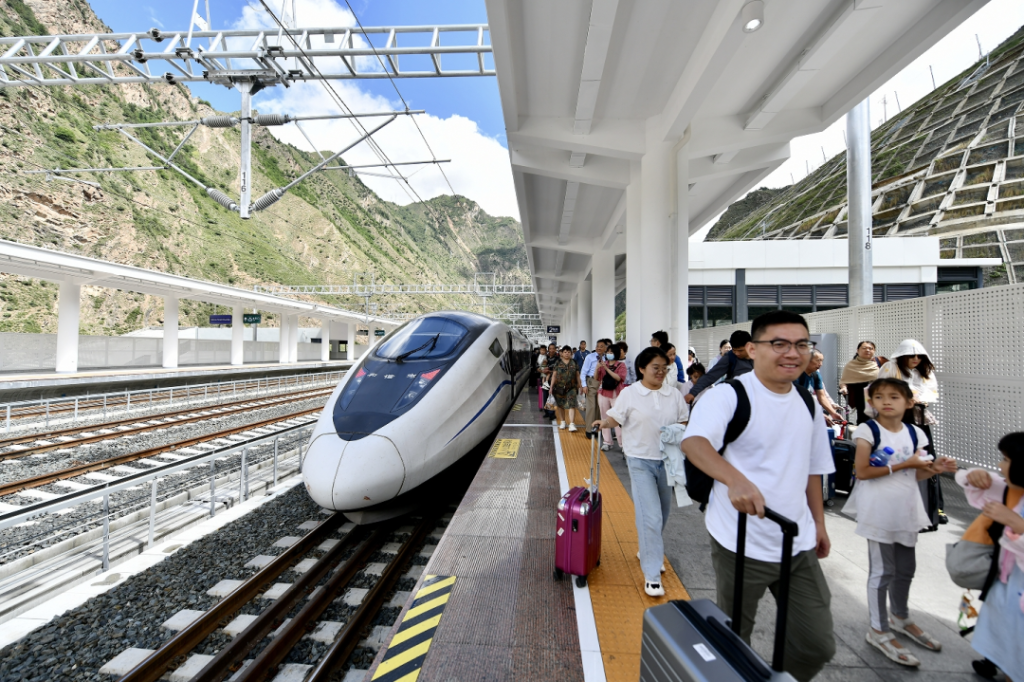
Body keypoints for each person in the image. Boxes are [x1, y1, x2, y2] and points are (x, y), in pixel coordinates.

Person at [681, 311, 836, 682]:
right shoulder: (728, 396)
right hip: (739, 542)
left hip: (795, 544)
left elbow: (813, 469)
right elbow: (694, 442)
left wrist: (819, 523)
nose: (792, 353)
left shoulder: (808, 404)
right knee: (734, 641)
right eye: (778, 344)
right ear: (752, 349)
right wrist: (733, 479)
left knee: (817, 644)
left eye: (801, 344)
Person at [845, 378, 957, 667]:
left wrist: (935, 468)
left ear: (909, 403)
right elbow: (863, 473)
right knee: (882, 571)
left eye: (894, 397)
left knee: (906, 568)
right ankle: (878, 629)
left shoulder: (915, 432)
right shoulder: (867, 430)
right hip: (878, 510)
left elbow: (917, 475)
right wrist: (906, 465)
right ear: (871, 402)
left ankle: (900, 617)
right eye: (879, 396)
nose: (886, 401)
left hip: (906, 509)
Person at [593, 346, 687, 596]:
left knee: (663, 513)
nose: (661, 372)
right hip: (639, 460)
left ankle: (646, 548)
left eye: (664, 368)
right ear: (643, 369)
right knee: (651, 516)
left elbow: (684, 420)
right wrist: (604, 422)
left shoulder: (673, 394)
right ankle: (653, 574)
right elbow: (616, 418)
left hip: (667, 460)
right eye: (655, 368)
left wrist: (678, 430)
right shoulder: (630, 393)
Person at [957, 432, 1024, 682]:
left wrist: (1018, 525)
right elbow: (967, 480)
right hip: (1009, 584)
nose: (999, 465)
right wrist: (971, 474)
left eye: (1006, 459)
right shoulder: (1013, 491)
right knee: (1010, 645)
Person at [878, 340, 945, 529]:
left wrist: (918, 398)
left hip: (919, 417)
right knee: (897, 459)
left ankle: (934, 506)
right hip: (895, 419)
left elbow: (932, 392)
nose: (915, 359)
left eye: (919, 356)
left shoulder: (925, 370)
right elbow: (878, 388)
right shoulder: (890, 367)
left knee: (927, 458)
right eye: (911, 355)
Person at [685, 330, 753, 405]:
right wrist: (693, 393)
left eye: (740, 350)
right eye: (734, 350)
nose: (737, 353)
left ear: (749, 346)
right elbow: (711, 376)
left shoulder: (761, 355)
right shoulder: (730, 357)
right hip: (739, 399)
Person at [594, 342, 627, 450]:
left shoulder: (621, 365)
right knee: (604, 417)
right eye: (607, 352)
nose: (609, 354)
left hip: (617, 394)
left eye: (611, 352)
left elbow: (619, 378)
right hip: (603, 393)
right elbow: (596, 378)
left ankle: (622, 443)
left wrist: (606, 369)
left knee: (617, 418)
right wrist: (597, 368)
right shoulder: (603, 364)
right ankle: (607, 442)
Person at [840, 341, 882, 425]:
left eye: (871, 348)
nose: (867, 350)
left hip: (879, 396)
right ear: (857, 350)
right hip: (861, 398)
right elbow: (844, 381)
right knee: (864, 421)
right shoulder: (851, 365)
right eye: (864, 348)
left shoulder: (880, 362)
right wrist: (844, 388)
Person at [796, 349, 844, 423]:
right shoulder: (796, 375)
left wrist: (833, 413)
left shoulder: (816, 375)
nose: (820, 364)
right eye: (818, 360)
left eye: (822, 361)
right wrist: (818, 414)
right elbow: (797, 400)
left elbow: (822, 397)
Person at [580, 339, 611, 438]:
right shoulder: (590, 357)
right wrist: (584, 385)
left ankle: (597, 428)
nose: (598, 348)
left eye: (601, 346)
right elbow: (583, 372)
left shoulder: (608, 358)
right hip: (592, 382)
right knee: (591, 407)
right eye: (597, 346)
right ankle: (589, 430)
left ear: (606, 348)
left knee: (600, 407)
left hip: (604, 383)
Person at [550, 345, 580, 431]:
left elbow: (577, 375)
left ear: (571, 354)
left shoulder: (574, 362)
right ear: (562, 354)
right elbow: (554, 375)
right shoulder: (558, 363)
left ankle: (572, 424)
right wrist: (551, 387)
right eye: (565, 352)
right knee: (561, 405)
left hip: (572, 388)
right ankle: (563, 422)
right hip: (559, 387)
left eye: (568, 352)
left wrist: (580, 386)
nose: (567, 354)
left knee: (572, 405)